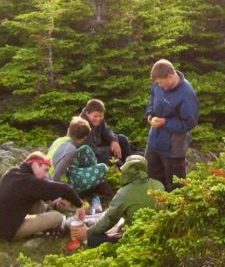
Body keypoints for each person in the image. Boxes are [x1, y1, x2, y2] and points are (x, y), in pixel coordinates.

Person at [0, 151, 84, 241]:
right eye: (45, 170)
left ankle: (45, 217)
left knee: (37, 200)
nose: (46, 175)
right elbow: (66, 189)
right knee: (57, 217)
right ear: (35, 164)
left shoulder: (13, 172)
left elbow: (39, 190)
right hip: (7, 231)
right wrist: (80, 205)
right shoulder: (29, 182)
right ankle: (52, 228)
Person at [76, 154, 164, 247]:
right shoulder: (159, 185)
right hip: (158, 234)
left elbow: (108, 220)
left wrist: (88, 232)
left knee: (92, 239)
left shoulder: (124, 193)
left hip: (137, 238)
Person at [145, 59, 199, 191]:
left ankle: (178, 210)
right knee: (152, 180)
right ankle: (155, 209)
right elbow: (152, 98)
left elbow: (189, 122)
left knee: (175, 186)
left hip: (173, 149)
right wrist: (150, 114)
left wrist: (165, 122)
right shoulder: (159, 86)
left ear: (169, 76)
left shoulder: (187, 94)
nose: (159, 85)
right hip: (154, 143)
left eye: (160, 82)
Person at [47, 116, 108, 194]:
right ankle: (93, 179)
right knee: (103, 168)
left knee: (86, 149)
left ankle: (92, 178)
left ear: (69, 130)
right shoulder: (71, 150)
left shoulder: (59, 140)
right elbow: (56, 175)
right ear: (83, 138)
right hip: (60, 182)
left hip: (55, 172)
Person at [80, 98, 132, 165]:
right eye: (95, 116)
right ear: (87, 113)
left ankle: (129, 163)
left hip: (100, 146)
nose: (98, 119)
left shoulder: (99, 119)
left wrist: (114, 141)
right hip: (91, 154)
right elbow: (91, 150)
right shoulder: (81, 125)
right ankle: (124, 169)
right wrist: (110, 149)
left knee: (122, 139)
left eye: (101, 116)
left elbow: (107, 130)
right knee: (117, 163)